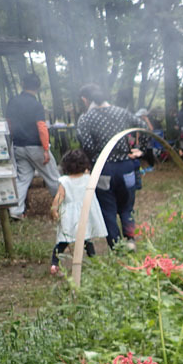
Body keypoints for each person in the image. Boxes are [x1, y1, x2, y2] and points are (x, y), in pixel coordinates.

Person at [75, 83, 144, 249]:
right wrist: (139, 149)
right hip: (126, 167)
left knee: (108, 210)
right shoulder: (121, 112)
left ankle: (116, 246)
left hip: (103, 169)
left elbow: (88, 147)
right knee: (127, 207)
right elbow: (144, 126)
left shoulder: (86, 118)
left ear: (85, 99)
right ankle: (130, 241)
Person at [5, 73, 60, 220]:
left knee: (22, 179)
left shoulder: (13, 101)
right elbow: (41, 127)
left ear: (23, 84)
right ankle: (62, 205)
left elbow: (8, 123)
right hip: (36, 147)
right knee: (53, 177)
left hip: (18, 146)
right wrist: (46, 149)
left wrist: (13, 138)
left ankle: (16, 212)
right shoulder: (36, 105)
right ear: (38, 87)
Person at [49, 149, 106, 276]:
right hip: (85, 214)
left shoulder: (65, 181)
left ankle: (54, 265)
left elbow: (59, 196)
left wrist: (54, 209)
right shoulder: (88, 178)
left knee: (63, 241)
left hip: (69, 216)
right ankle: (94, 261)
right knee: (86, 239)